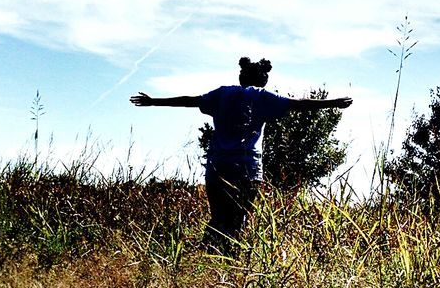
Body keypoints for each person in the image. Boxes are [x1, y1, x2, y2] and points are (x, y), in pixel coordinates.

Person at [130, 57, 352, 253]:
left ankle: (205, 262)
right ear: (264, 80)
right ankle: (230, 266)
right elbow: (298, 104)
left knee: (218, 219)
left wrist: (154, 101)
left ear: (241, 77)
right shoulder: (263, 97)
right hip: (247, 168)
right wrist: (332, 103)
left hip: (217, 167)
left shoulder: (222, 94)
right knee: (238, 221)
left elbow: (191, 100)